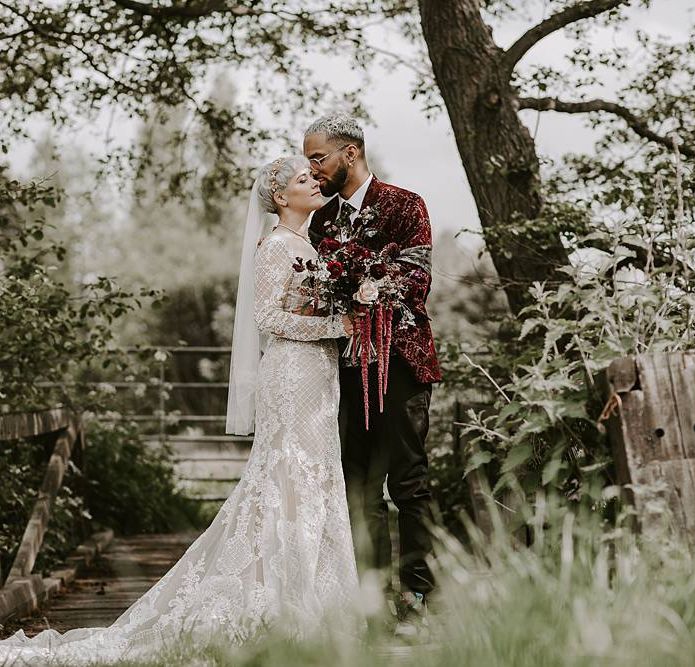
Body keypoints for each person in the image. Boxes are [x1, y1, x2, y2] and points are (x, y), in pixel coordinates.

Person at [0, 156, 359, 664]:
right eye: (304, 179)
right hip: (292, 373)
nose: (315, 182)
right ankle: (275, 603)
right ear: (281, 197)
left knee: (316, 476)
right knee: (287, 476)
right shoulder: (277, 245)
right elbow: (268, 318)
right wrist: (339, 325)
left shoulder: (312, 245)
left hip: (320, 376)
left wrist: (341, 315)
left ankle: (314, 600)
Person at [303, 113, 442, 634]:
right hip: (343, 369)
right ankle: (370, 600)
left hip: (401, 362)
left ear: (351, 153)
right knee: (357, 487)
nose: (312, 170)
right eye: (308, 161)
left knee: (409, 482)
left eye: (319, 158)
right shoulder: (319, 220)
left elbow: (417, 278)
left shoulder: (406, 205)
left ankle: (418, 598)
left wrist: (359, 279)